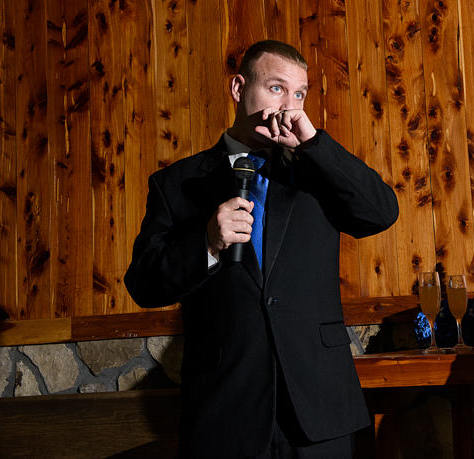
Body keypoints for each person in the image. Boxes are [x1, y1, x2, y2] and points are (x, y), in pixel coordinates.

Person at [125, 40, 399, 458]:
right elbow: (144, 284)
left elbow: (380, 213)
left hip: (318, 410)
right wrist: (207, 244)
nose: (288, 106)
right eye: (276, 88)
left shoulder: (316, 172)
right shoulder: (176, 184)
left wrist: (314, 145)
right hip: (225, 414)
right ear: (239, 88)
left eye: (300, 94)